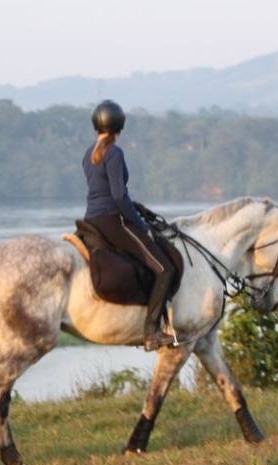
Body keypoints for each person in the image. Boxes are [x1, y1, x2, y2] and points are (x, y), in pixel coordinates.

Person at [82, 99, 176, 350]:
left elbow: (104, 192)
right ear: (119, 126)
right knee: (164, 268)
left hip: (91, 219)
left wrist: (138, 208)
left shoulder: (88, 153)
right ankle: (151, 333)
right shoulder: (114, 152)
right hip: (113, 221)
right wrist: (139, 223)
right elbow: (117, 196)